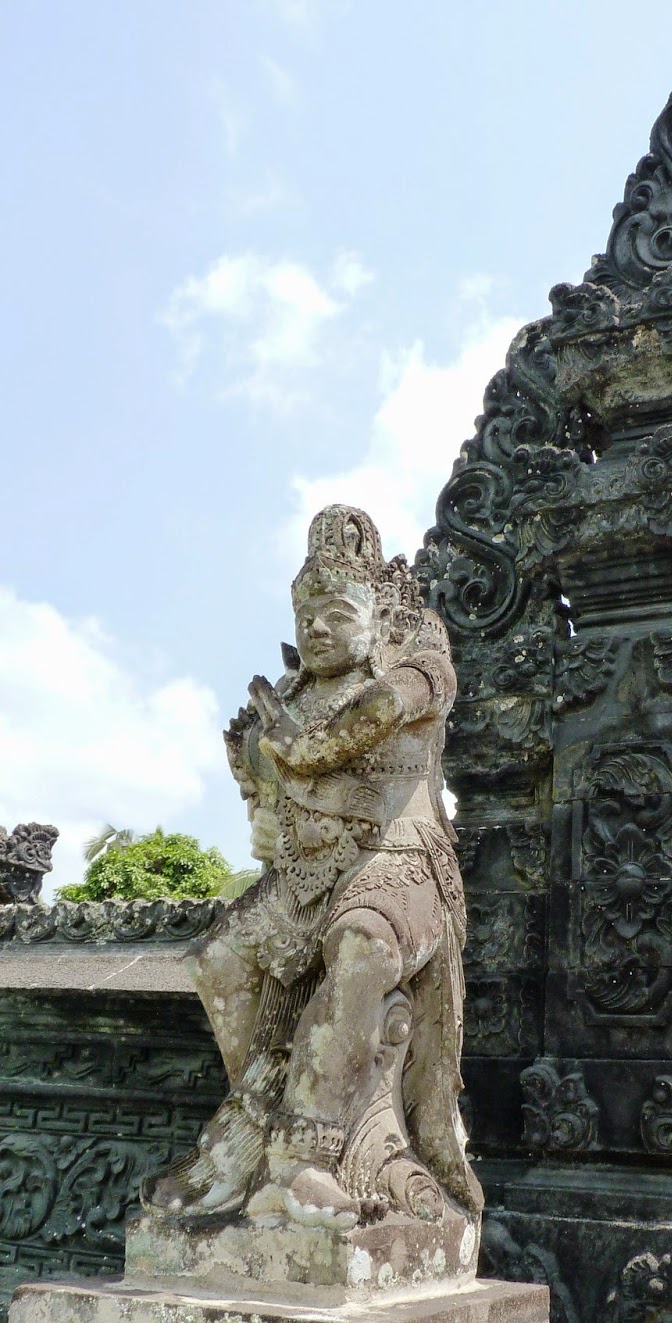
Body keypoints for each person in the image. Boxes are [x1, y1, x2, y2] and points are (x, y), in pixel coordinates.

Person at [141, 504, 481, 1230]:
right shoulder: (288, 699)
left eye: (336, 613)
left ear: (378, 620)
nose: (316, 629)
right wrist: (267, 809)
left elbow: (382, 709)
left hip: (400, 864)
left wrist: (305, 750)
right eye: (305, 617)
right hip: (303, 881)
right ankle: (259, 1116)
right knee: (218, 962)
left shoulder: (417, 668)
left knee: (363, 945)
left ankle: (307, 1155)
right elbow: (265, 808)